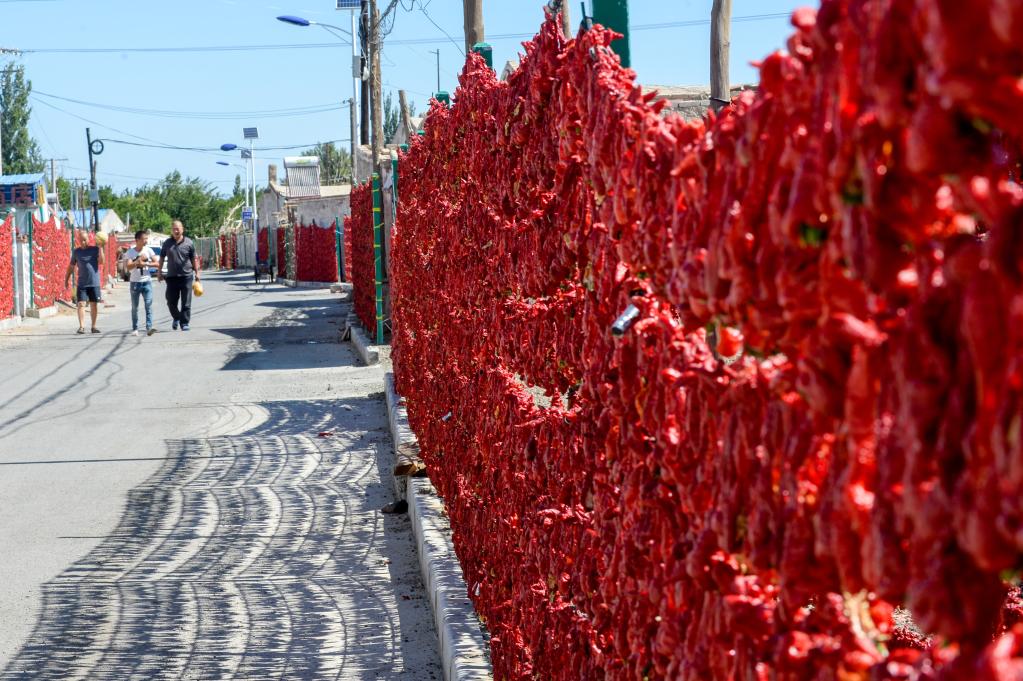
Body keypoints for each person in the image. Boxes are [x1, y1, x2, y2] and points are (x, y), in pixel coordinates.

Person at [158, 220, 200, 331]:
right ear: (171, 230)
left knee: (186, 302)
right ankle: (177, 317)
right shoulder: (167, 243)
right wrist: (159, 272)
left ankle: (184, 323)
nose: (176, 231)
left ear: (182, 229)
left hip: (186, 276)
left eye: (178, 228)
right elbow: (161, 257)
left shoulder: (189, 242)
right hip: (171, 277)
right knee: (170, 301)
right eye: (174, 229)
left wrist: (197, 273)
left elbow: (193, 258)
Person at [64, 230, 104, 335]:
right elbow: (71, 266)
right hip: (82, 283)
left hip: (94, 282)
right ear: (78, 240)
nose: (83, 242)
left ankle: (93, 327)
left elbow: (101, 262)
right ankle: (81, 327)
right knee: (81, 304)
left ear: (88, 239)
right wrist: (66, 278)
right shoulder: (76, 252)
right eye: (81, 240)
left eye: (85, 240)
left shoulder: (95, 249)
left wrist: (101, 248)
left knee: (93, 305)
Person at [122, 229, 158, 337]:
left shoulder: (149, 250)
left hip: (147, 281)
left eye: (147, 239)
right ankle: (135, 328)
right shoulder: (130, 252)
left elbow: (157, 263)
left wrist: (146, 264)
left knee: (148, 304)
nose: (146, 241)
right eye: (144, 239)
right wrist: (137, 262)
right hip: (135, 282)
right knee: (135, 307)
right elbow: (128, 267)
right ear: (137, 240)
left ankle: (149, 327)